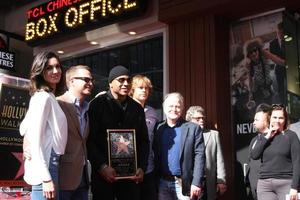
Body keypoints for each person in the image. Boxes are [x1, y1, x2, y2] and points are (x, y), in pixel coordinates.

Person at [87, 65, 149, 200]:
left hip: (130, 178)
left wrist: (141, 167)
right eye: (121, 80)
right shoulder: (97, 105)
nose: (126, 83)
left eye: (128, 80)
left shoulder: (137, 108)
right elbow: (89, 140)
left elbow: (144, 141)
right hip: (103, 177)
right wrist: (102, 166)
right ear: (110, 83)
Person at [20, 51, 68, 200]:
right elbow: (33, 137)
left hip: (51, 165)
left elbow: (24, 128)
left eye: (57, 66)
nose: (55, 71)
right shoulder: (42, 97)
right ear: (40, 72)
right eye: (49, 68)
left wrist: (26, 143)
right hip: (46, 167)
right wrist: (46, 178)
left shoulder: (47, 96)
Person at [153, 92, 205, 200]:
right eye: (171, 106)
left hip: (184, 184)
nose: (174, 109)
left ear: (182, 108)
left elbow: (200, 156)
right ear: (164, 107)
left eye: (177, 106)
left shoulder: (193, 128)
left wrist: (196, 182)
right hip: (162, 183)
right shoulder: (158, 128)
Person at [57, 65, 93, 200]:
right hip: (63, 178)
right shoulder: (58, 103)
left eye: (91, 80)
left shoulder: (88, 108)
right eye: (86, 79)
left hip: (83, 178)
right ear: (71, 81)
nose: (90, 83)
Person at [250, 104, 300, 200]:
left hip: (286, 183)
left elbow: (297, 162)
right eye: (274, 117)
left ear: (285, 120)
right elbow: (254, 155)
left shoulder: (291, 136)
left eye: (281, 118)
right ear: (270, 118)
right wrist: (267, 136)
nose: (277, 120)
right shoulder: (263, 136)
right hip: (265, 185)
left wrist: (294, 187)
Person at [185, 106, 227, 200]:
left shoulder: (213, 134)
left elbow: (219, 160)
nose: (201, 120)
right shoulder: (184, 135)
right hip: (190, 182)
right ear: (189, 120)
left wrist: (222, 181)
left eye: (203, 118)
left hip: (208, 181)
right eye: (198, 118)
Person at [129, 75, 159, 200]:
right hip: (130, 168)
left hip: (149, 168)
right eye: (140, 88)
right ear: (132, 90)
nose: (144, 91)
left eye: (146, 88)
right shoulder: (125, 109)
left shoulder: (152, 112)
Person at [246, 103, 271, 200]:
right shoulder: (254, 140)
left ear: (266, 121)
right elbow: (250, 161)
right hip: (254, 189)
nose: (253, 122)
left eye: (256, 120)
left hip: (267, 188)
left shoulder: (275, 139)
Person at [245, 38, 273, 106]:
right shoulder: (250, 65)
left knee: (269, 106)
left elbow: (274, 59)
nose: (254, 53)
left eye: (255, 50)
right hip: (258, 91)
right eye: (251, 52)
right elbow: (250, 80)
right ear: (248, 55)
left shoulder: (264, 58)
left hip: (267, 88)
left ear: (258, 50)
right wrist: (250, 93)